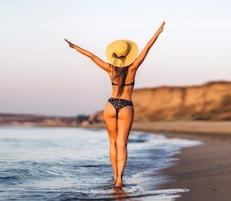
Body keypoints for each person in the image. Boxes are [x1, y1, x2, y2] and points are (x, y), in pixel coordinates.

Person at [64, 21, 165, 187]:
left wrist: (74, 46)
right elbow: (147, 48)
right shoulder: (133, 68)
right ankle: (119, 180)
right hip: (126, 105)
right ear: (128, 55)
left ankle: (114, 175)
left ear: (114, 55)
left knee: (112, 143)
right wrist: (158, 32)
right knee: (122, 143)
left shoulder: (110, 69)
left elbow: (91, 56)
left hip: (110, 105)